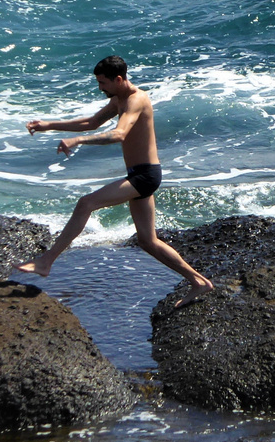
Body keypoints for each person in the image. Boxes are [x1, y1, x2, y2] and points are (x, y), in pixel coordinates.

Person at [15, 55, 214, 307]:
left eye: (103, 83)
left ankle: (47, 261)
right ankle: (198, 282)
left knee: (86, 203)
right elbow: (91, 122)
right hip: (139, 175)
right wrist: (48, 125)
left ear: (118, 79)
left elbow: (119, 134)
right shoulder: (118, 98)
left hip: (145, 175)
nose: (100, 88)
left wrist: (77, 142)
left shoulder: (136, 99)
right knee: (148, 241)